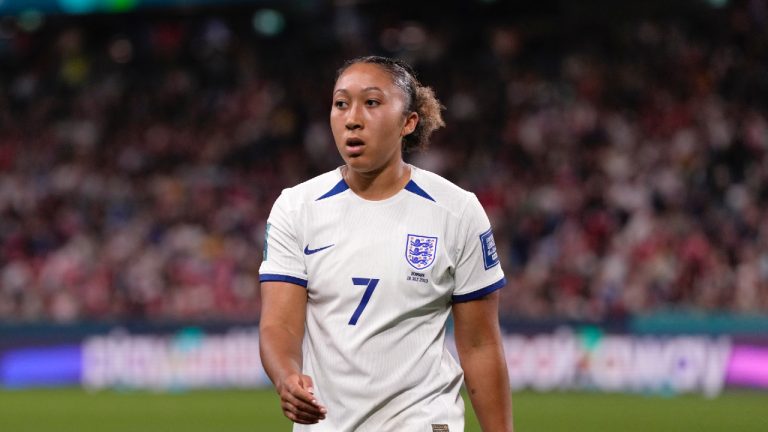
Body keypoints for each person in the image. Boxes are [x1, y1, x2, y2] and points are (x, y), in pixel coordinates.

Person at [259, 55, 514, 432]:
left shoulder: (457, 211)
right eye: (341, 103)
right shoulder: (297, 208)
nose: (352, 118)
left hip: (422, 422)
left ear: (408, 122)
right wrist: (286, 377)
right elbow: (279, 324)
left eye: (372, 103)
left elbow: (480, 346)